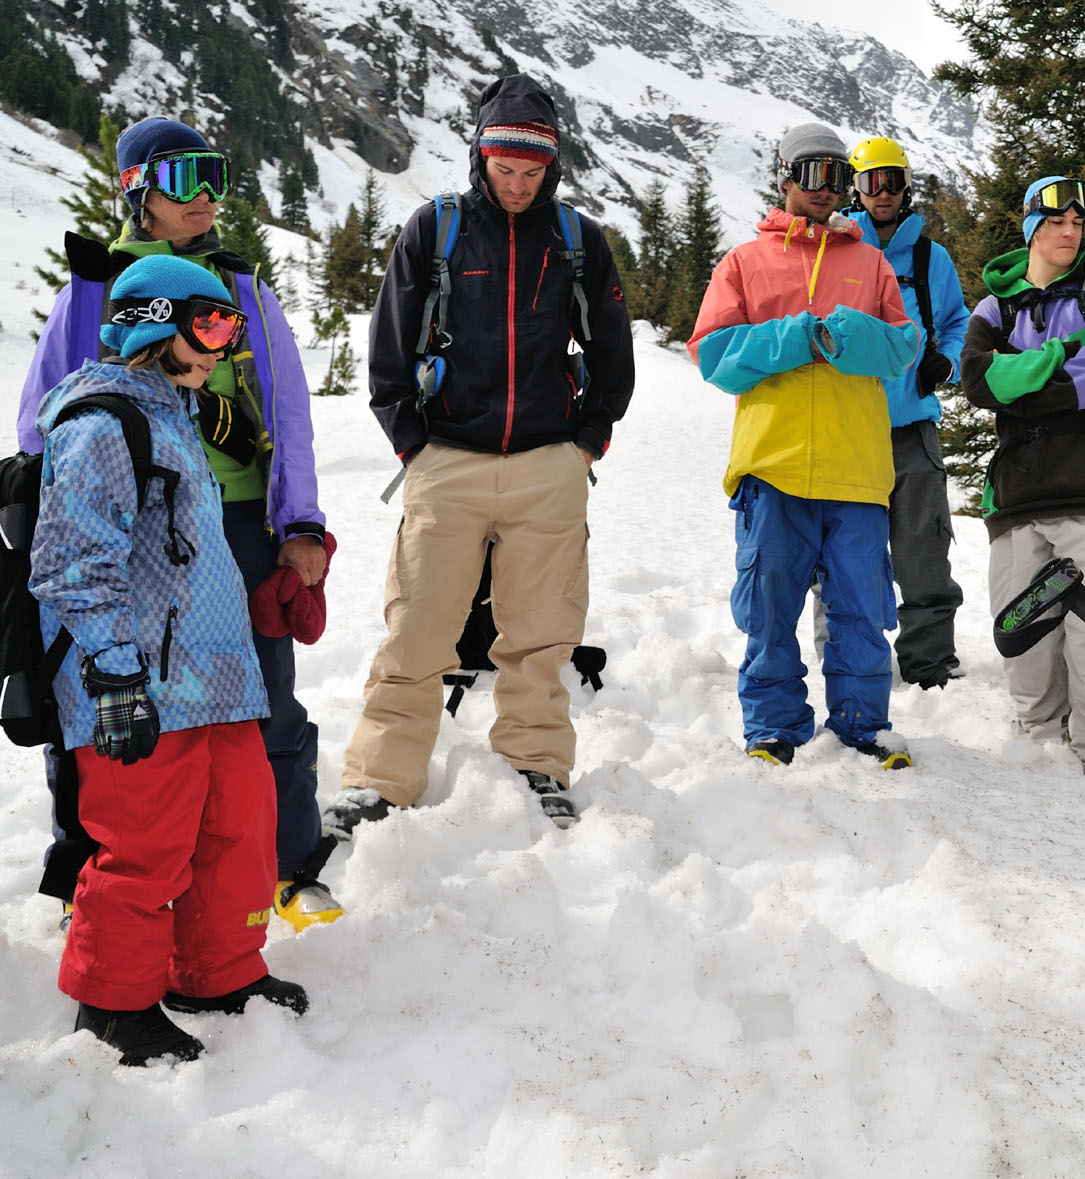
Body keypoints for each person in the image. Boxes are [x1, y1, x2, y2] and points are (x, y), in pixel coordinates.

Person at [18, 116, 339, 931]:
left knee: (261, 695)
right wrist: (49, 515)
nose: (206, 196)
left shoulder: (242, 289)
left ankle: (285, 864)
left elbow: (288, 415)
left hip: (234, 520)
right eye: (183, 177)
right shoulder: (92, 289)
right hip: (123, 527)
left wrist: (300, 524)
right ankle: (90, 867)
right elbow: (40, 420)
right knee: (95, 700)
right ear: (137, 192)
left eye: (215, 175)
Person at [330, 74, 635, 835]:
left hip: (548, 467)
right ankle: (380, 777)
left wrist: (585, 444)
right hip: (448, 464)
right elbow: (388, 354)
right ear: (480, 157)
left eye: (533, 172)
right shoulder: (434, 231)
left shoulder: (578, 241)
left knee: (541, 635)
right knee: (418, 628)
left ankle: (537, 762)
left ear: (552, 166)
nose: (519, 185)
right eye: (505, 169)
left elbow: (613, 354)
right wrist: (415, 446)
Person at [33, 254, 309, 1066]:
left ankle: (216, 971)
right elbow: (73, 562)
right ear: (154, 323)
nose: (224, 345)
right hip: (140, 682)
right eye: (210, 324)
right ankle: (113, 1005)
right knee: (144, 844)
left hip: (215, 676)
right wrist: (114, 671)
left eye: (231, 327)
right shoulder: (102, 422)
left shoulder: (176, 413)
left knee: (238, 828)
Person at [688, 123, 922, 769]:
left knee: (861, 609)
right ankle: (773, 726)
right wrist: (796, 337)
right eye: (814, 173)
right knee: (769, 609)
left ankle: (864, 723)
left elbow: (903, 347)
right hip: (774, 465)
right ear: (786, 176)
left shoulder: (870, 263)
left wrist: (845, 334)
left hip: (856, 468)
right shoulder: (744, 263)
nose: (826, 189)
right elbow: (714, 355)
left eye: (838, 176)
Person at [959, 176, 1085, 789]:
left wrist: (1021, 388)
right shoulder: (994, 307)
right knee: (1023, 640)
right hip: (1017, 497)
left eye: (1078, 224)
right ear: (1032, 227)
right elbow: (977, 379)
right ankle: (1038, 757)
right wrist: (1062, 354)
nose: (1070, 233)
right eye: (1057, 222)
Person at [833, 135, 970, 689]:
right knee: (848, 553)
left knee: (923, 549)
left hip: (912, 425)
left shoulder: (930, 257)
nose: (883, 192)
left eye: (892, 180)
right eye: (872, 182)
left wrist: (948, 360)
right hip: (848, 427)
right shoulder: (838, 249)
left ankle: (929, 663)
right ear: (856, 189)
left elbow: (958, 321)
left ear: (906, 185)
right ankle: (852, 658)